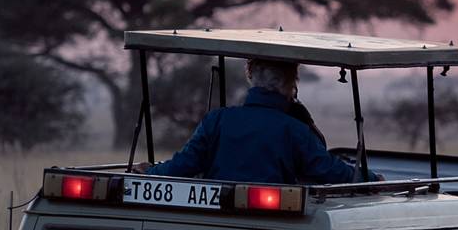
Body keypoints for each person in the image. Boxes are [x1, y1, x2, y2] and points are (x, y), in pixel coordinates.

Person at [135, 58, 368, 184]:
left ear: (251, 77)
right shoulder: (296, 130)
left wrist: (151, 173)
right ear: (291, 84)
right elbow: (327, 169)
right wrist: (369, 179)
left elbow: (184, 165)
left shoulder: (216, 120)